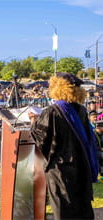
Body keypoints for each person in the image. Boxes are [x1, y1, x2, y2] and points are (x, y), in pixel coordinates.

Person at [31, 73, 99, 220]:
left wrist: (33, 122)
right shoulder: (81, 111)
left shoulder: (53, 112)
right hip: (81, 166)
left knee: (64, 209)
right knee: (81, 207)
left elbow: (42, 139)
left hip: (61, 169)